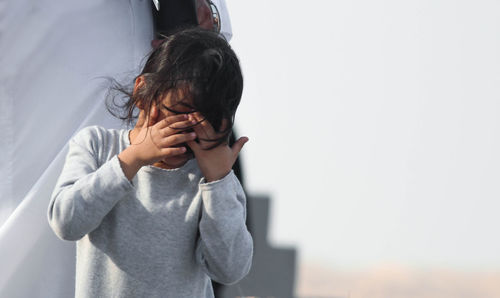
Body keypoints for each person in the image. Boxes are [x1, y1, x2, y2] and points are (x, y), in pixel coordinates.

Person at [47, 28, 253, 297]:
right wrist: (132, 159)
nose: (186, 136)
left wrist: (218, 182)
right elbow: (66, 222)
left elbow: (230, 269)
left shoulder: (212, 182)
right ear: (143, 90)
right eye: (178, 117)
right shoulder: (98, 146)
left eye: (202, 127)